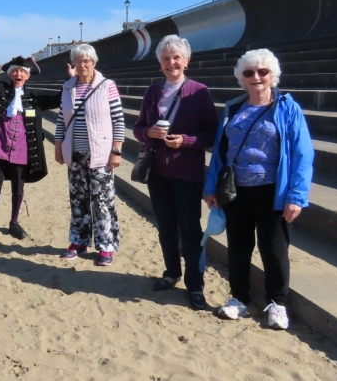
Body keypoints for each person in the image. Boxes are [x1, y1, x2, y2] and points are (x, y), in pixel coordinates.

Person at [204, 49, 314, 329]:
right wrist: (211, 186)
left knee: (274, 249)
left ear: (272, 75)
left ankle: (277, 303)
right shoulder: (234, 107)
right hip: (236, 191)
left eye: (262, 72)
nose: (256, 77)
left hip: (272, 191)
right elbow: (220, 152)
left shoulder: (288, 108)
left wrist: (296, 196)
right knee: (238, 248)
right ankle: (238, 298)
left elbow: (303, 155)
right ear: (241, 77)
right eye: (249, 72)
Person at [133, 35, 218, 309]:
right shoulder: (152, 92)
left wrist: (186, 141)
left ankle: (195, 285)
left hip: (187, 173)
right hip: (157, 172)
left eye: (176, 57)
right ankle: (171, 273)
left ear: (186, 61)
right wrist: (149, 132)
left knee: (190, 230)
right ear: (160, 63)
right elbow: (138, 128)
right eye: (166, 58)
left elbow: (212, 133)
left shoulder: (199, 92)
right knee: (165, 227)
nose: (171, 63)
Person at [0, 30, 61, 240]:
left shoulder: (36, 97)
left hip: (23, 150)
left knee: (18, 188)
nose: (18, 75)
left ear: (28, 75)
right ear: (10, 74)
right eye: (15, 71)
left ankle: (14, 223)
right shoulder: (0, 90)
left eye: (22, 72)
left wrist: (73, 82)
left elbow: (59, 99)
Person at [54, 44, 125, 267]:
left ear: (94, 62)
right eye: (78, 61)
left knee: (103, 202)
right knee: (78, 200)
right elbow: (60, 121)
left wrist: (116, 150)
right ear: (73, 64)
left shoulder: (107, 86)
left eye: (87, 61)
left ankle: (106, 247)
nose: (82, 65)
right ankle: (79, 242)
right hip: (75, 154)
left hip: (102, 155)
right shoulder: (68, 88)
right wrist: (58, 147)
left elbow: (119, 120)